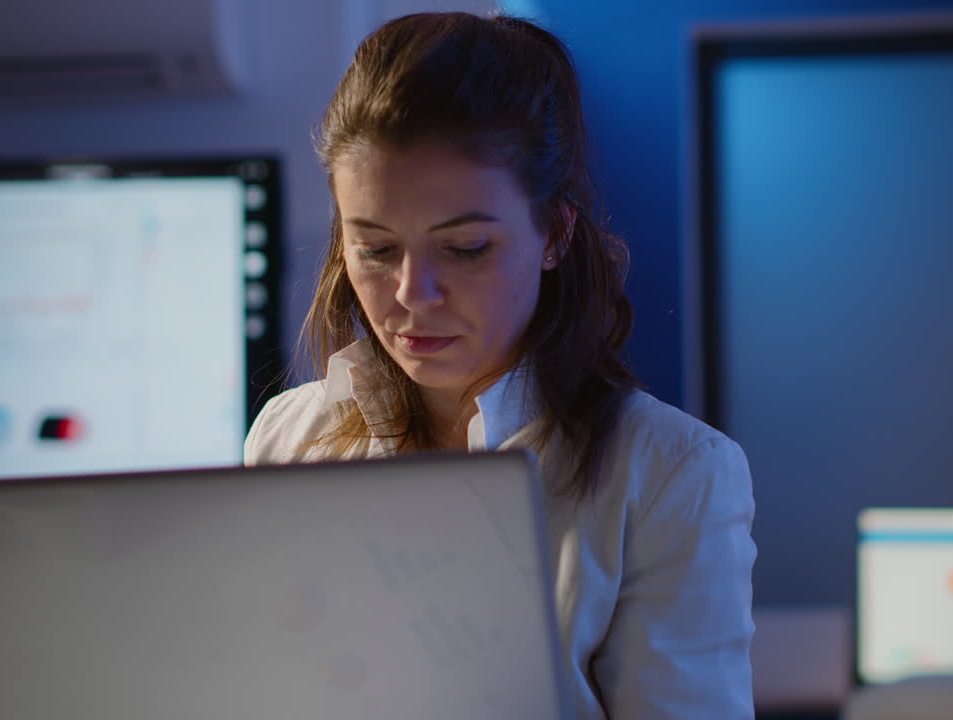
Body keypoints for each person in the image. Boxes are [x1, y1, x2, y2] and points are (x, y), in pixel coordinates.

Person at [244, 11, 756, 720]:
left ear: (553, 232)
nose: (411, 296)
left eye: (465, 249)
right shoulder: (287, 437)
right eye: (377, 249)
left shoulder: (672, 474)